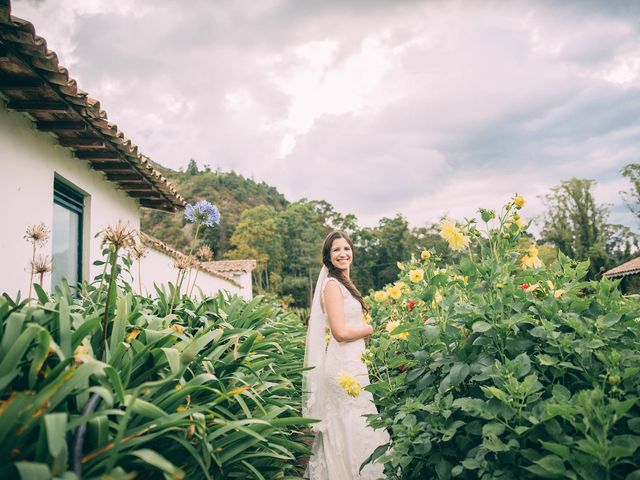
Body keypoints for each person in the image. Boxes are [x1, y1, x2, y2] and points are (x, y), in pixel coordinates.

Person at [303, 230, 390, 479]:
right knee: (349, 422)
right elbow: (339, 332)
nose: (343, 253)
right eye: (336, 250)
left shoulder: (344, 284)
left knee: (359, 418)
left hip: (354, 362)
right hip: (342, 366)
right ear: (328, 257)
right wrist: (369, 328)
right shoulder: (332, 285)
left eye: (346, 248)